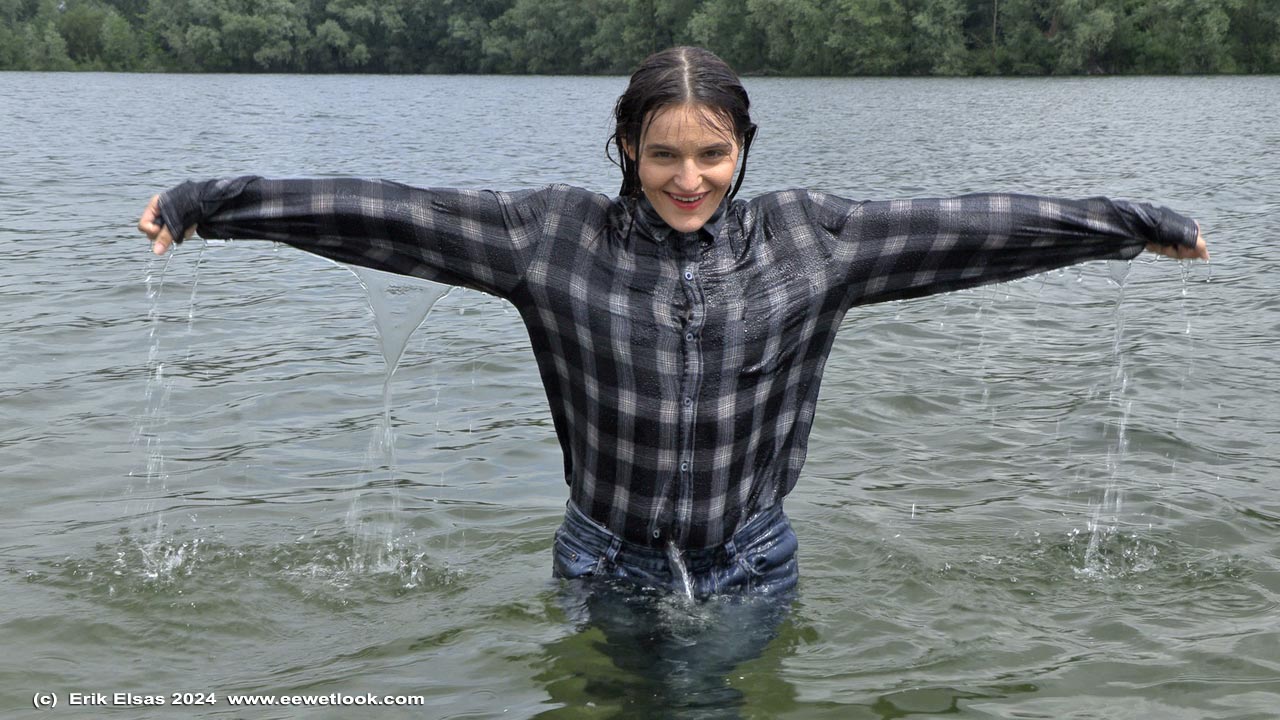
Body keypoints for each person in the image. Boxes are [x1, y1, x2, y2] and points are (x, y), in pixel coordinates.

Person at [137, 46, 1208, 603]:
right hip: (603, 558)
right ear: (626, 149)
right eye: (663, 154)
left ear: (743, 149)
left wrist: (1128, 225)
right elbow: (384, 212)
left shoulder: (812, 239)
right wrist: (210, 204)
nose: (688, 178)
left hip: (751, 559)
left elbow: (976, 226)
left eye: (712, 154)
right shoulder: (549, 238)